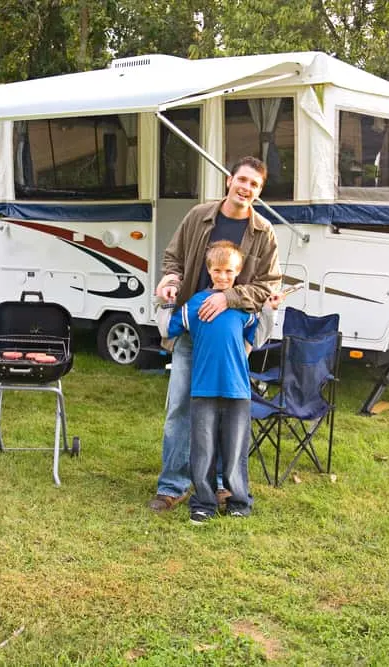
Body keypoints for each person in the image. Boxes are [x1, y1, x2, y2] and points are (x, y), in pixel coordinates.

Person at [149, 156, 281, 512]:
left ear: (259, 190)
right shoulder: (199, 217)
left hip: (232, 337)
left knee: (225, 412)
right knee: (179, 409)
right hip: (192, 334)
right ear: (229, 180)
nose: (246, 188)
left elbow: (268, 285)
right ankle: (172, 485)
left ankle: (223, 486)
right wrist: (171, 281)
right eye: (242, 180)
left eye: (254, 184)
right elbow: (173, 258)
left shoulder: (264, 232)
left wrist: (229, 297)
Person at [168, 241, 259, 524]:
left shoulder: (246, 308)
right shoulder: (194, 305)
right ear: (209, 270)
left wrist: (273, 309)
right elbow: (169, 328)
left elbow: (253, 334)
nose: (222, 276)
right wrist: (166, 298)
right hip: (203, 389)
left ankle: (238, 501)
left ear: (238, 272)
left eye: (229, 271)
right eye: (217, 270)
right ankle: (204, 503)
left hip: (238, 390)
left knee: (235, 450)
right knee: (203, 449)